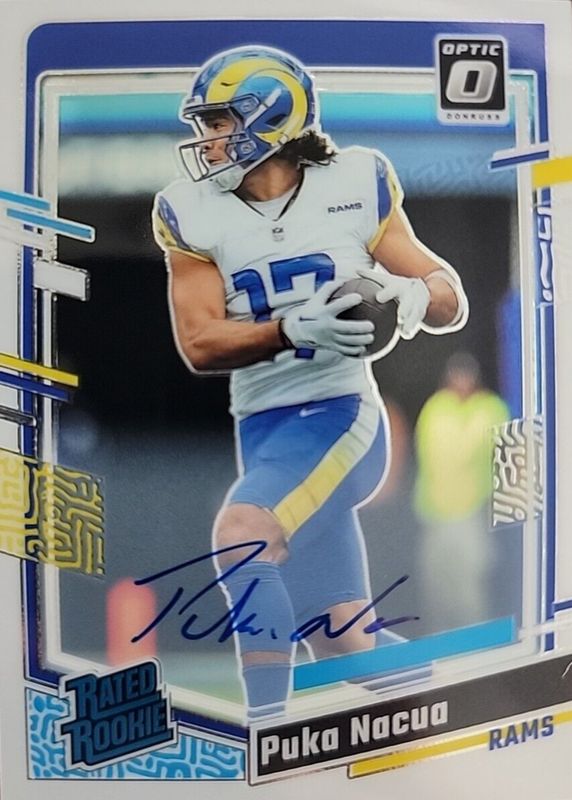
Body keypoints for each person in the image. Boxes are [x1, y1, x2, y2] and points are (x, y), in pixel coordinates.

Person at [152, 45, 468, 720]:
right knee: (346, 643)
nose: (207, 140)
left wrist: (412, 297)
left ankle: (265, 738)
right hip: (262, 429)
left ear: (271, 117)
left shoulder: (354, 179)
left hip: (340, 414)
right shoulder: (190, 209)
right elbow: (199, 343)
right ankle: (464, 698)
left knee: (242, 534)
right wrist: (290, 329)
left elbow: (447, 296)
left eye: (220, 122)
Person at [414, 352, 509, 632]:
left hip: (474, 515)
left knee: (470, 587)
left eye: (467, 376)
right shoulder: (437, 406)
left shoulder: (490, 407)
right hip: (435, 516)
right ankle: (441, 643)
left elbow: (476, 453)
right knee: (437, 588)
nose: (462, 382)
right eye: (457, 375)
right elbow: (433, 451)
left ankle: (476, 642)